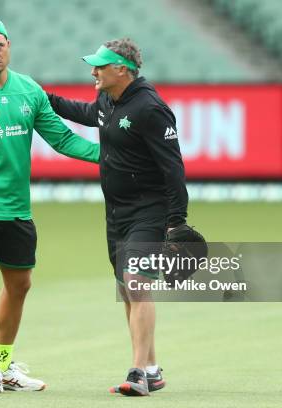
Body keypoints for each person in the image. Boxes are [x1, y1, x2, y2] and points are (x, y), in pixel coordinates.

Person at [0, 17, 100, 394]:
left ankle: (5, 368)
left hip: (17, 209)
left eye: (0, 46)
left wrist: (111, 155)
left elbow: (62, 140)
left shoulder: (29, 91)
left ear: (9, 45)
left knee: (20, 283)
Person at [47, 38, 189, 397]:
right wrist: (41, 98)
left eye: (100, 66)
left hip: (150, 210)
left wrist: (177, 222)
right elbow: (84, 113)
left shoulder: (150, 108)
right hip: (117, 213)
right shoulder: (109, 100)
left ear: (121, 69)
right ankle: (153, 370)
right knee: (128, 288)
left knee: (136, 282)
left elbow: (173, 170)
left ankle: (138, 372)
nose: (93, 71)